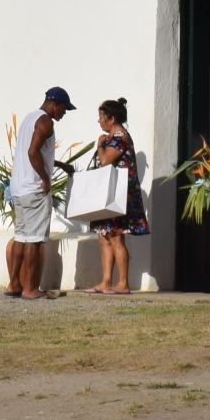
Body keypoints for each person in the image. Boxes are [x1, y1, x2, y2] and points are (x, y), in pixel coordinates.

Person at [4, 86, 76, 301]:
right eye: (64, 109)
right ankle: (31, 288)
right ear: (55, 104)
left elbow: (37, 152)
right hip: (34, 189)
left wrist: (60, 164)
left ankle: (14, 284)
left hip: (18, 188)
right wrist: (45, 179)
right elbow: (32, 152)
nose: (64, 113)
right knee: (34, 240)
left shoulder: (29, 118)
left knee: (20, 237)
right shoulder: (46, 121)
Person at [85, 97, 148, 295]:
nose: (99, 121)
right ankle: (106, 281)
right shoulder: (113, 136)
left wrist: (99, 146)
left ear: (111, 118)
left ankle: (122, 283)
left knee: (116, 237)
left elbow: (105, 161)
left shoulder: (120, 136)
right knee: (104, 236)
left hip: (117, 195)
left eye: (101, 117)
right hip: (107, 193)